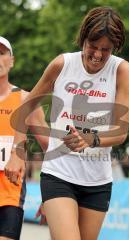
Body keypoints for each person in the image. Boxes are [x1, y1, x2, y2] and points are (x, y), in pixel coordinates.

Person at [5, 6, 129, 240]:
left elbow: (121, 130)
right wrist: (17, 151)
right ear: (83, 40)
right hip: (59, 174)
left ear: (114, 47)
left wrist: (92, 139)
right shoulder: (62, 64)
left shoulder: (121, 70)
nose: (97, 55)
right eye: (92, 47)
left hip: (97, 181)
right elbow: (26, 107)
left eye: (105, 50)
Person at [0, 36, 49, 240]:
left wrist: (50, 195)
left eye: (2, 53)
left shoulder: (25, 100)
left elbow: (51, 148)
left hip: (9, 196)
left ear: (12, 60)